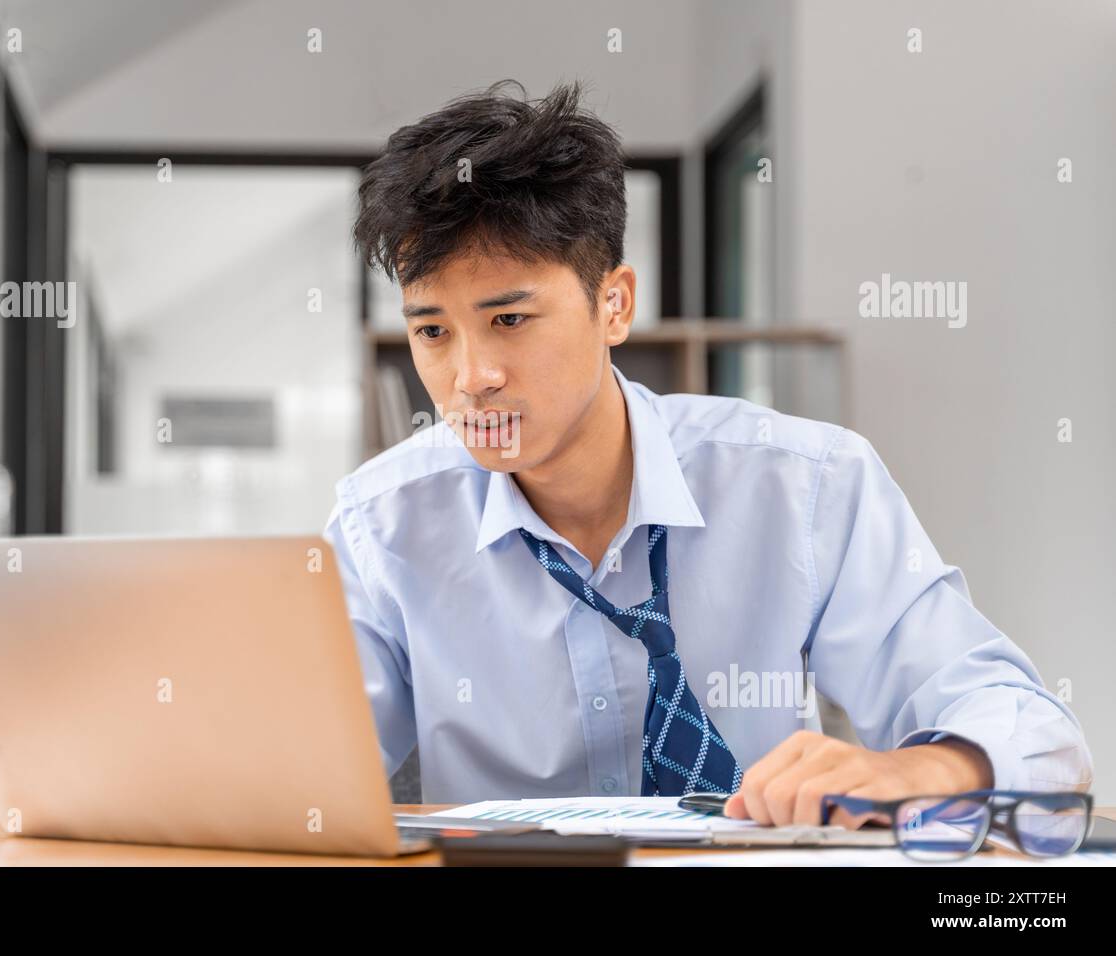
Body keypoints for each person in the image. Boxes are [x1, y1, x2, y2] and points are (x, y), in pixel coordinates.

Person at [323, 79, 1093, 827]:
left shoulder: (804, 484)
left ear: (614, 303)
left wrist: (920, 769)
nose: (471, 378)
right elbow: (306, 775)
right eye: (431, 331)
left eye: (511, 320)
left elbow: (1033, 730)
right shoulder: (381, 526)